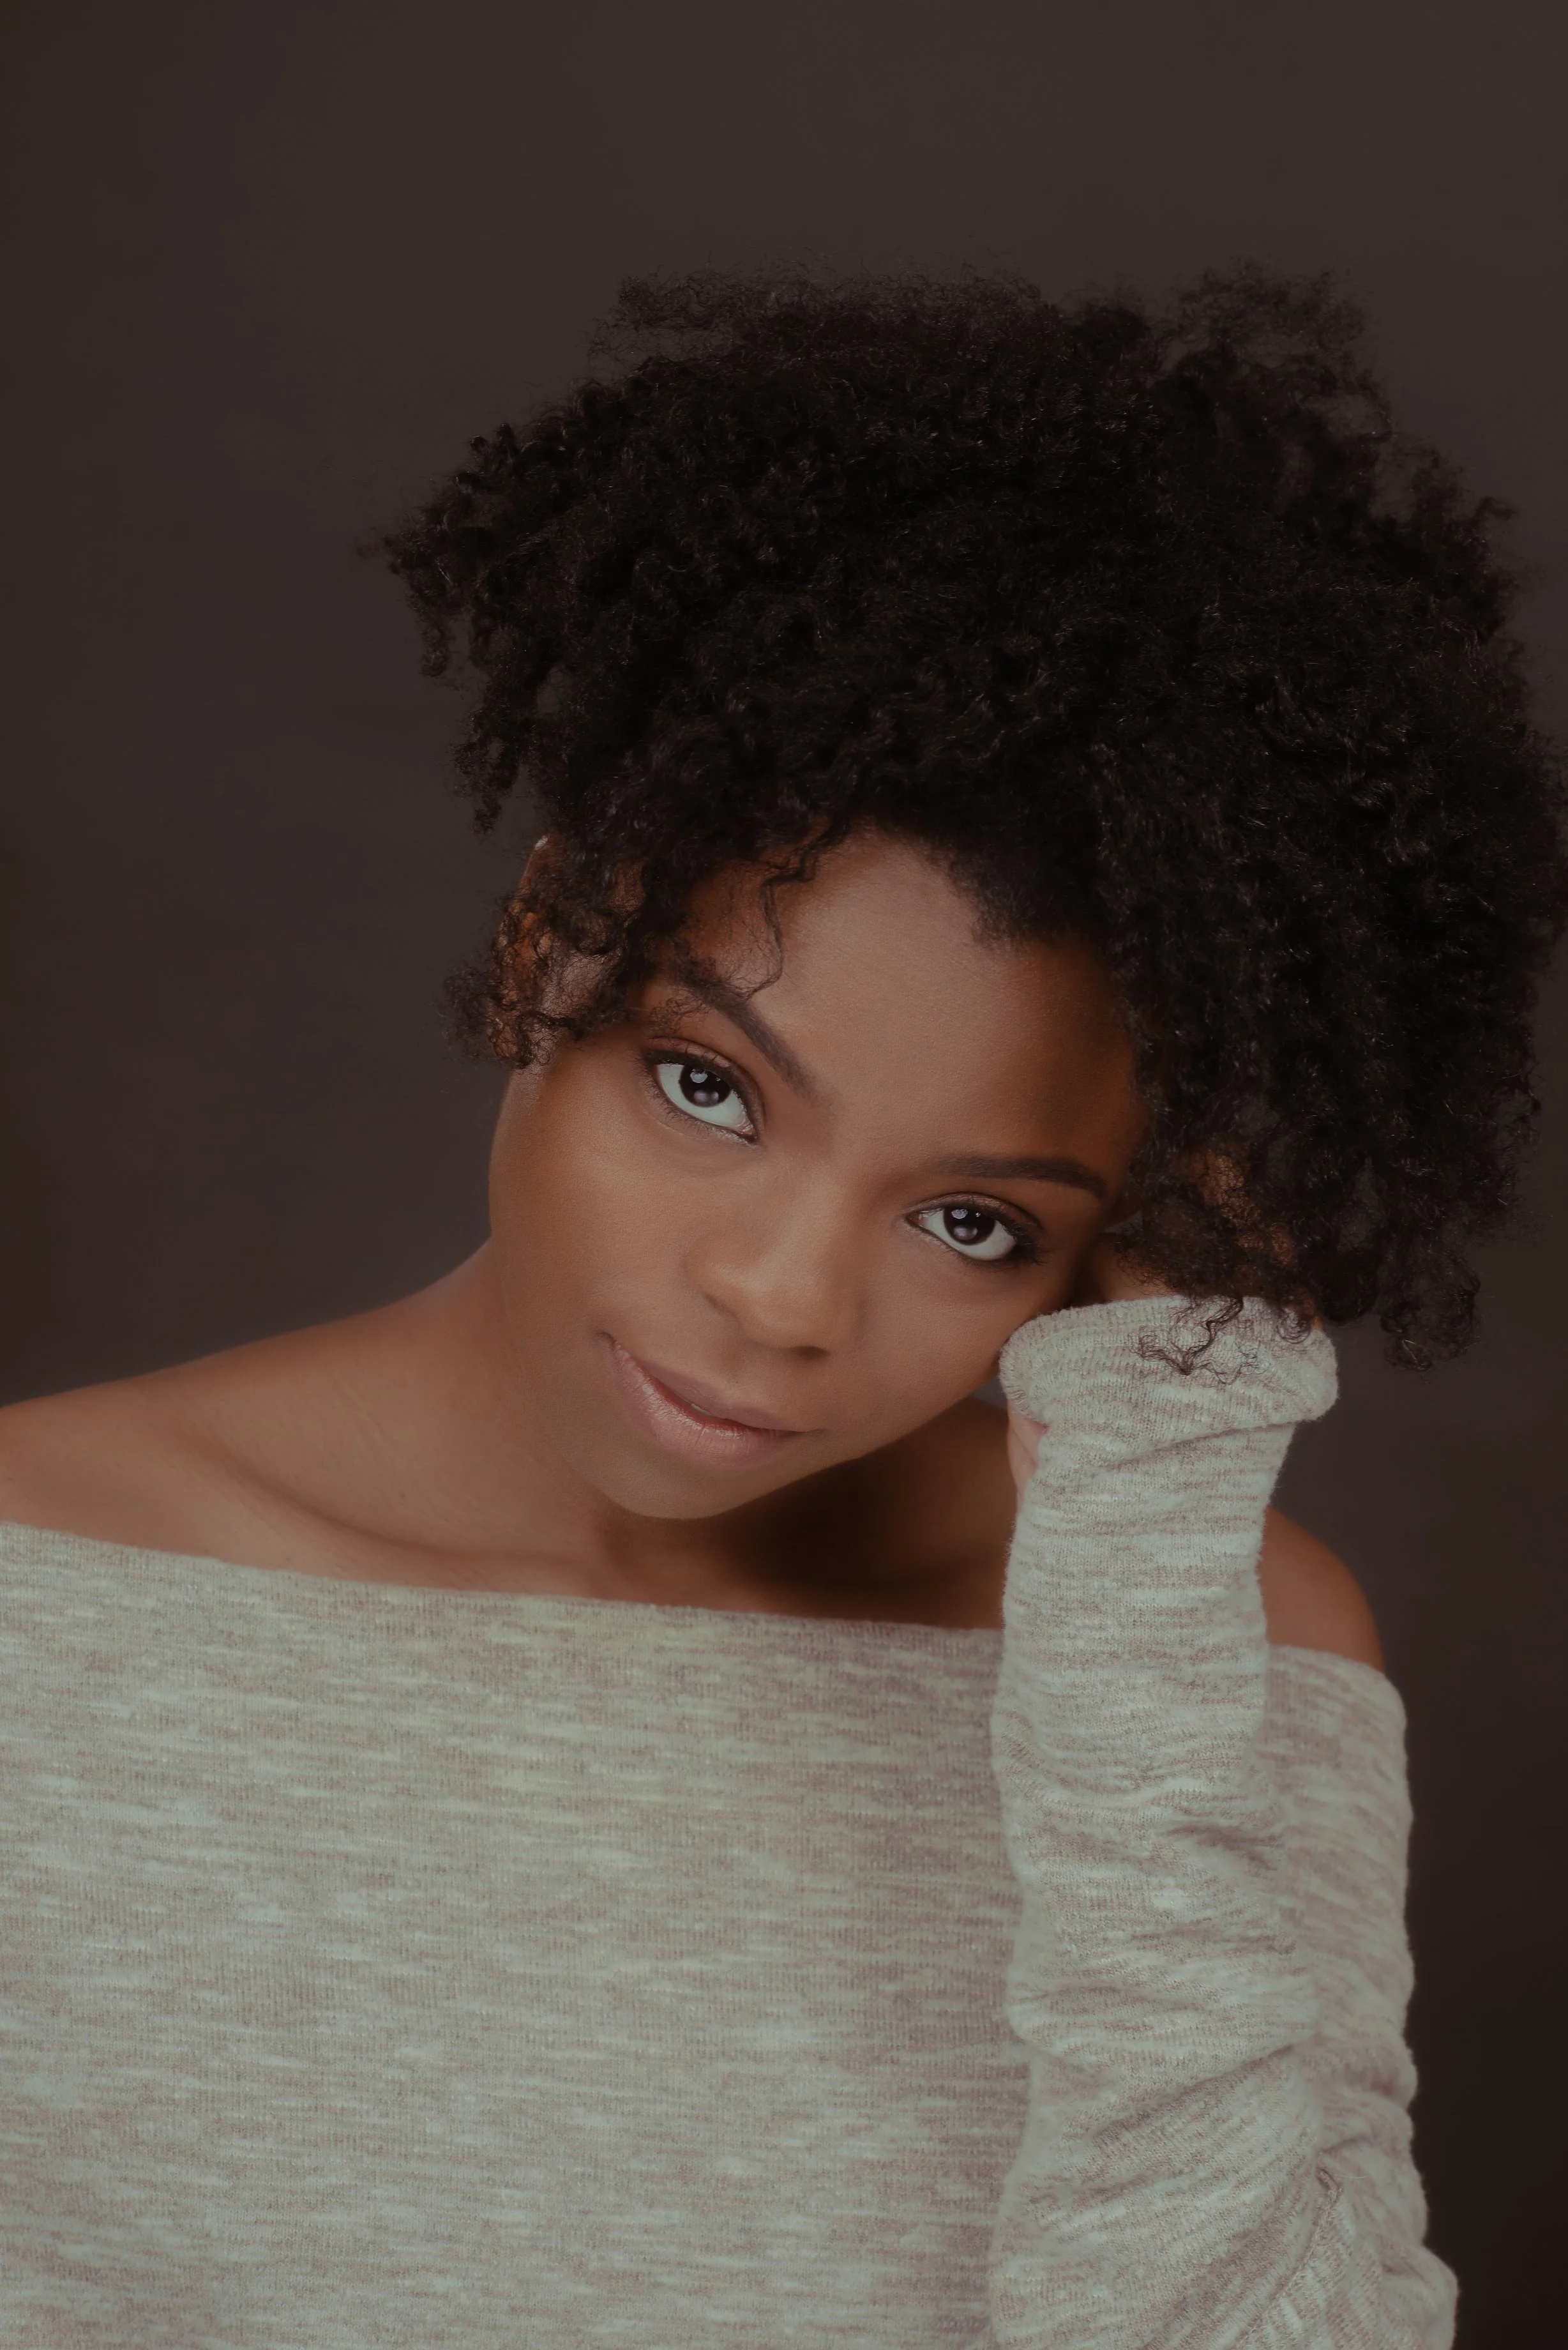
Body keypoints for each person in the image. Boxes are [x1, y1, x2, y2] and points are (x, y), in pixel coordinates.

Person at [0, 267, 1560, 2349]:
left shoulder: (1210, 1650)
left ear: (1135, 1241)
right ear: (556, 937)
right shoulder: (38, 1601)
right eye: (710, 1086)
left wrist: (1141, 1573)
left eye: (979, 1224)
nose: (776, 1294)